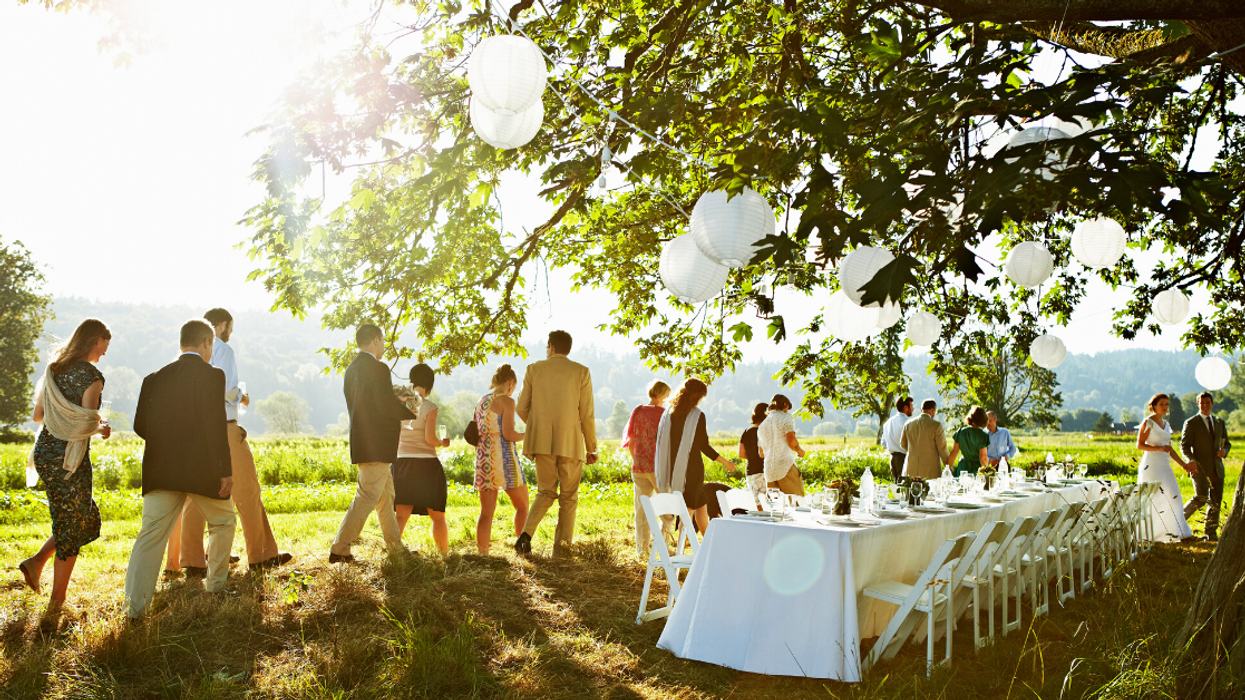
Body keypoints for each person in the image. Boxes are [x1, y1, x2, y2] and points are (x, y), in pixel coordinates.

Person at [124, 320, 236, 619]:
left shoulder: (153, 378)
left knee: (150, 536)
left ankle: (134, 610)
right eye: (211, 346)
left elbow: (139, 425)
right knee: (223, 522)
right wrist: (224, 470)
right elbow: (215, 426)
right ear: (205, 343)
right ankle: (215, 588)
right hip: (202, 471)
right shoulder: (213, 376)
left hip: (161, 469)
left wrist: (167, 445)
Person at [172, 308, 291, 575]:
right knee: (247, 489)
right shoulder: (223, 349)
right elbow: (222, 389)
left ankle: (192, 560)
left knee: (197, 495)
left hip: (194, 431)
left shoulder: (185, 357)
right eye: (231, 327)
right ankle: (261, 555)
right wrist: (242, 394)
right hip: (223, 427)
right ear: (223, 325)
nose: (231, 333)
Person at [19, 319, 112, 614]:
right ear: (96, 339)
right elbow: (86, 420)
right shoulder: (92, 376)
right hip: (69, 459)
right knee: (72, 523)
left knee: (80, 518)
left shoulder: (54, 370)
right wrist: (101, 428)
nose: (105, 352)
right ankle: (56, 602)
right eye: (105, 345)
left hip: (46, 452)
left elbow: (38, 416)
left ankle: (36, 562)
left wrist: (70, 419)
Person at [329, 324, 416, 564]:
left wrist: (391, 399)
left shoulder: (351, 369)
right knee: (367, 496)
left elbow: (366, 404)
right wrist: (407, 408)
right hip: (378, 442)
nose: (385, 346)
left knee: (386, 496)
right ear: (376, 340)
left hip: (362, 441)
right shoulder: (378, 368)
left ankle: (396, 548)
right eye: (384, 341)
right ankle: (340, 547)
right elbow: (383, 405)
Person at [514, 331, 598, 558]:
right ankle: (561, 553)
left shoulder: (534, 369)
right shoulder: (581, 372)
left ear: (550, 346)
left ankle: (525, 536)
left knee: (545, 492)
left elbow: (521, 408)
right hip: (571, 443)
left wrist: (538, 426)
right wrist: (591, 447)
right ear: (568, 349)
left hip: (541, 443)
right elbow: (587, 414)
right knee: (568, 498)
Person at [654, 379, 738, 534]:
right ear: (696, 397)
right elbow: (703, 445)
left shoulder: (668, 414)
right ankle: (682, 548)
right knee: (688, 510)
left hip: (673, 468)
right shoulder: (697, 416)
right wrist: (725, 462)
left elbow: (657, 439)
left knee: (701, 508)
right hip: (692, 471)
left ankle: (707, 545)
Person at [394, 364, 453, 555]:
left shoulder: (399, 404)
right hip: (426, 465)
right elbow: (429, 439)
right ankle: (444, 555)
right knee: (437, 515)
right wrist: (442, 443)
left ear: (412, 381)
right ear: (429, 385)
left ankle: (393, 552)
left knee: (401, 514)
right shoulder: (429, 406)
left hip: (402, 463)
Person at [474, 364, 529, 555]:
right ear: (511, 382)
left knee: (486, 512)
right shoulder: (507, 401)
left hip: (483, 459)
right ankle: (522, 551)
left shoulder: (481, 401)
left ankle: (483, 554)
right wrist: (529, 434)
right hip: (504, 459)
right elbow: (509, 434)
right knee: (522, 506)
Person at [1137, 393, 1198, 543]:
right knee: (1153, 498)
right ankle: (1153, 534)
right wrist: (1158, 448)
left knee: (1174, 495)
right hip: (1151, 465)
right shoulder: (1148, 423)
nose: (1164, 407)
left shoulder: (1167, 424)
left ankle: (1179, 532)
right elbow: (1140, 445)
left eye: (1166, 404)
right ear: (1154, 406)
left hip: (1165, 465)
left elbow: (1169, 449)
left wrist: (1184, 465)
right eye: (1161, 404)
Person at [622, 380, 671, 557]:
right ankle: (664, 545)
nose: (666, 399)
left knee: (642, 511)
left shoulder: (638, 410)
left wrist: (636, 460)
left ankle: (641, 551)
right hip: (657, 467)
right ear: (660, 394)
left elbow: (631, 441)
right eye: (666, 395)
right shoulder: (664, 414)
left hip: (639, 467)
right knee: (667, 508)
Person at [1181, 391, 1231, 541]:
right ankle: (1177, 523)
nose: (1204, 405)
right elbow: (1184, 446)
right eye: (1201, 403)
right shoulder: (1191, 423)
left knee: (1216, 501)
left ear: (1212, 404)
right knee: (1201, 498)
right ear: (1198, 404)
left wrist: (1224, 451)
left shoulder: (1219, 422)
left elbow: (1227, 443)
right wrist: (1191, 460)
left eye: (1207, 403)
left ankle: (1210, 533)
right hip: (1199, 469)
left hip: (1217, 469)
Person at [757, 394, 807, 496]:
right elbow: (791, 441)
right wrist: (799, 450)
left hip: (769, 471)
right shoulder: (786, 417)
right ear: (785, 404)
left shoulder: (762, 426)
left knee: (776, 508)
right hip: (786, 467)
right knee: (797, 503)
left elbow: (761, 453)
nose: (787, 411)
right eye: (787, 408)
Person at [901, 399, 950, 479]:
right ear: (933, 409)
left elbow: (902, 444)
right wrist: (949, 466)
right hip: (931, 470)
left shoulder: (908, 424)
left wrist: (915, 451)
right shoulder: (936, 425)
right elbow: (942, 449)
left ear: (921, 409)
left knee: (911, 490)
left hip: (911, 469)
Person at [738, 402, 769, 505]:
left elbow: (741, 454)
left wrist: (752, 457)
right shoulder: (765, 431)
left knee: (756, 504)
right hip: (764, 470)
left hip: (751, 472)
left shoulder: (746, 431)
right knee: (767, 504)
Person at [946, 405, 990, 476]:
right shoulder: (983, 436)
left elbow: (954, 452)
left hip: (962, 467)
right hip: (977, 469)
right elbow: (983, 457)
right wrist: (986, 472)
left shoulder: (960, 432)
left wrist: (947, 469)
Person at [881, 396, 913, 481]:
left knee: (897, 487)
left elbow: (883, 444)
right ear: (906, 407)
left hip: (892, 459)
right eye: (911, 406)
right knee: (905, 487)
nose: (913, 409)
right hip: (904, 458)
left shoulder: (887, 423)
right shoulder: (908, 423)